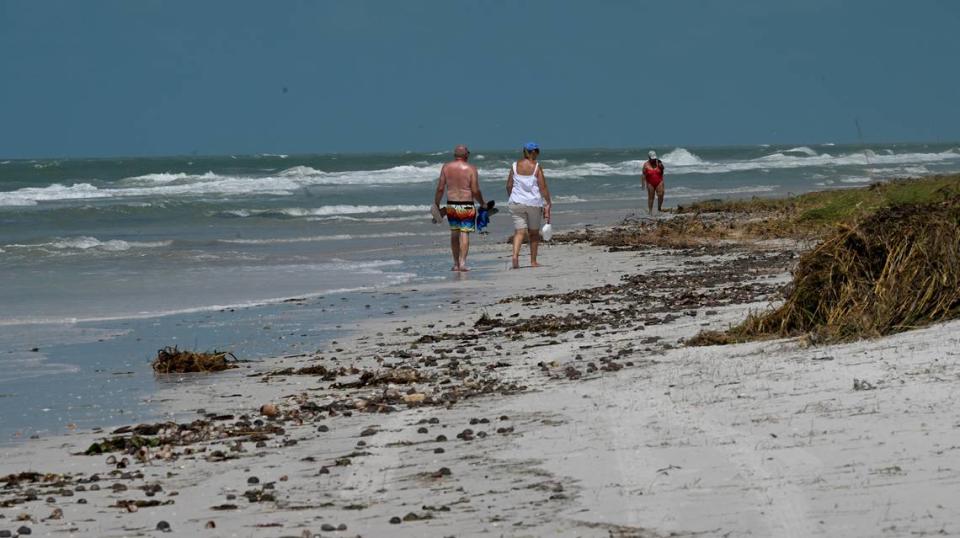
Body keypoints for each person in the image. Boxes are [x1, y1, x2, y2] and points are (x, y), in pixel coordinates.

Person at [434, 144, 485, 272]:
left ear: (455, 155)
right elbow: (475, 190)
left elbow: (440, 188)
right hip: (466, 205)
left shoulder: (446, 167)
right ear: (466, 155)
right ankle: (462, 263)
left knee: (454, 233)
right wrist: (482, 203)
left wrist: (436, 204)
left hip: (451, 205)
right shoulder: (471, 168)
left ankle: (456, 264)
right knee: (464, 233)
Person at [506, 142, 552, 269]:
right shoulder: (536, 167)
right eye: (537, 152)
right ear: (534, 152)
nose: (537, 155)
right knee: (534, 233)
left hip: (516, 203)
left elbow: (509, 185)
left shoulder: (514, 166)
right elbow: (543, 187)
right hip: (533, 204)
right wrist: (548, 202)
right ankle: (533, 261)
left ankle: (515, 256)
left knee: (519, 232)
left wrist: (512, 197)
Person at [642, 150, 666, 214]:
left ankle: (659, 208)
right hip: (650, 183)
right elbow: (643, 174)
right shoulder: (645, 165)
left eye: (654, 158)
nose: (653, 160)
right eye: (652, 158)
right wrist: (643, 184)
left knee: (661, 195)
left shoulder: (659, 162)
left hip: (659, 181)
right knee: (651, 197)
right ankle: (650, 211)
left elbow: (663, 170)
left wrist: (661, 167)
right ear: (649, 158)